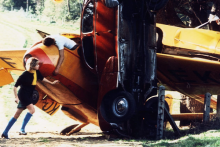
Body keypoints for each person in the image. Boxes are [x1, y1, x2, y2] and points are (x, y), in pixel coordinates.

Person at [1, 57, 59, 139]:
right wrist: (16, 98)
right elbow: (15, 87)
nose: (38, 65)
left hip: (29, 94)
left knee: (17, 114)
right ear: (32, 65)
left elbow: (42, 79)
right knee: (32, 110)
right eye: (37, 64)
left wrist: (52, 83)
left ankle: (5, 132)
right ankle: (22, 129)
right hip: (23, 94)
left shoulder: (36, 71)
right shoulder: (25, 74)